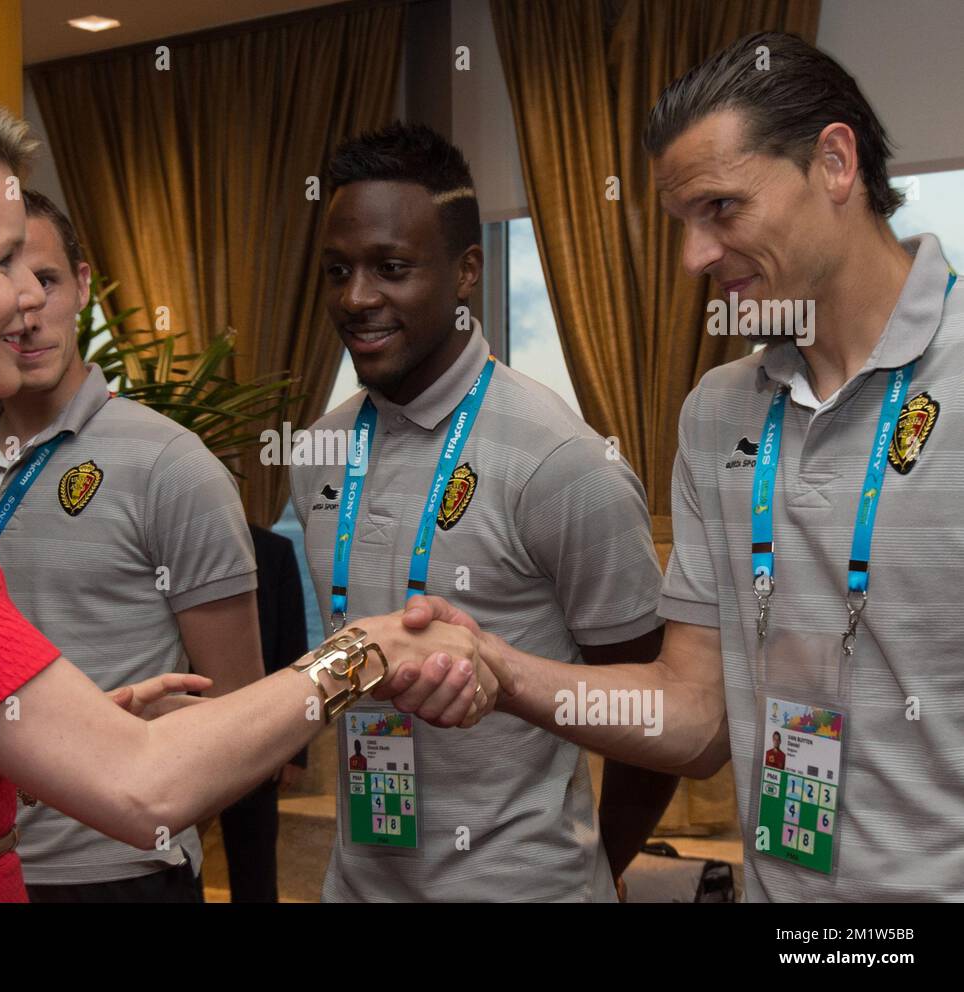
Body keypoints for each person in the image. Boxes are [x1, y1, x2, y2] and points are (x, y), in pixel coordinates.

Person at [0, 68, 494, 903]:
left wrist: (72, 734)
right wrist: (370, 650)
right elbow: (144, 786)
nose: (29, 296)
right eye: (2, 261)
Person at [411, 31, 964, 902]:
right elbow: (695, 713)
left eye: (722, 209)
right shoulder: (720, 412)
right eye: (683, 222)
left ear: (833, 163)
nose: (693, 259)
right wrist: (500, 669)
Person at [291, 122, 676, 902]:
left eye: (391, 268)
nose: (357, 298)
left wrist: (596, 868)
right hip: (353, 885)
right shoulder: (317, 451)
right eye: (338, 270)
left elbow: (653, 711)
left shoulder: (561, 460)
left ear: (467, 271)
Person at [0, 189, 265, 902]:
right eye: (3, 279)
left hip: (118, 873)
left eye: (48, 281)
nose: (26, 307)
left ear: (84, 287)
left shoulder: (170, 466)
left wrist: (144, 800)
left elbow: (241, 713)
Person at [216, 523, 311, 903]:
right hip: (178, 728)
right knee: (177, 859)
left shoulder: (273, 550)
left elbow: (293, 649)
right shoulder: (164, 549)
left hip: (257, 735)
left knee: (254, 865)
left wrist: (292, 748)